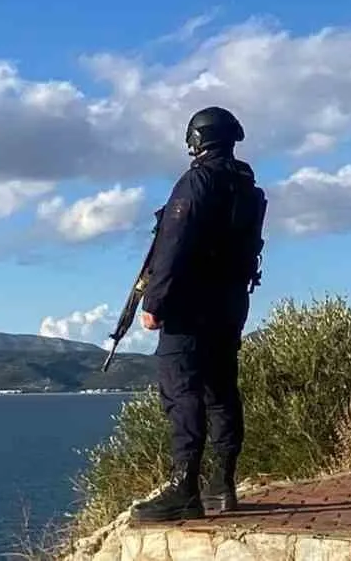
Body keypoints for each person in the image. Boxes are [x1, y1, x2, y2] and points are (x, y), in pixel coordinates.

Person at [131, 105, 268, 523]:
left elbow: (172, 244)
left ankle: (183, 488)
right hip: (230, 302)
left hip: (189, 304)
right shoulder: (248, 187)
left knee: (182, 390)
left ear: (196, 140)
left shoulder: (197, 181)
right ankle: (222, 485)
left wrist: (154, 303)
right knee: (222, 390)